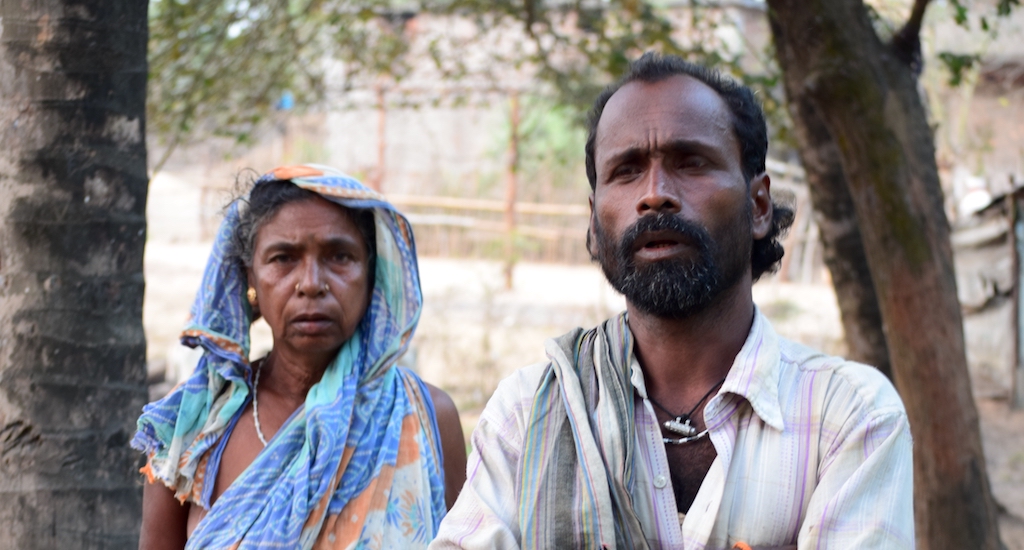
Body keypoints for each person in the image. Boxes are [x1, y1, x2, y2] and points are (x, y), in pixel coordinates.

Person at [431, 54, 913, 549]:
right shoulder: (528, 415)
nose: (655, 194)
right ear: (594, 225)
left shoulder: (849, 415)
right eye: (626, 171)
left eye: (691, 162)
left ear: (759, 207)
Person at [134, 164, 467, 549]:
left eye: (339, 256)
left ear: (373, 275)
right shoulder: (192, 424)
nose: (311, 283)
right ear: (250, 280)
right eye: (283, 258)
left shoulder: (426, 417)